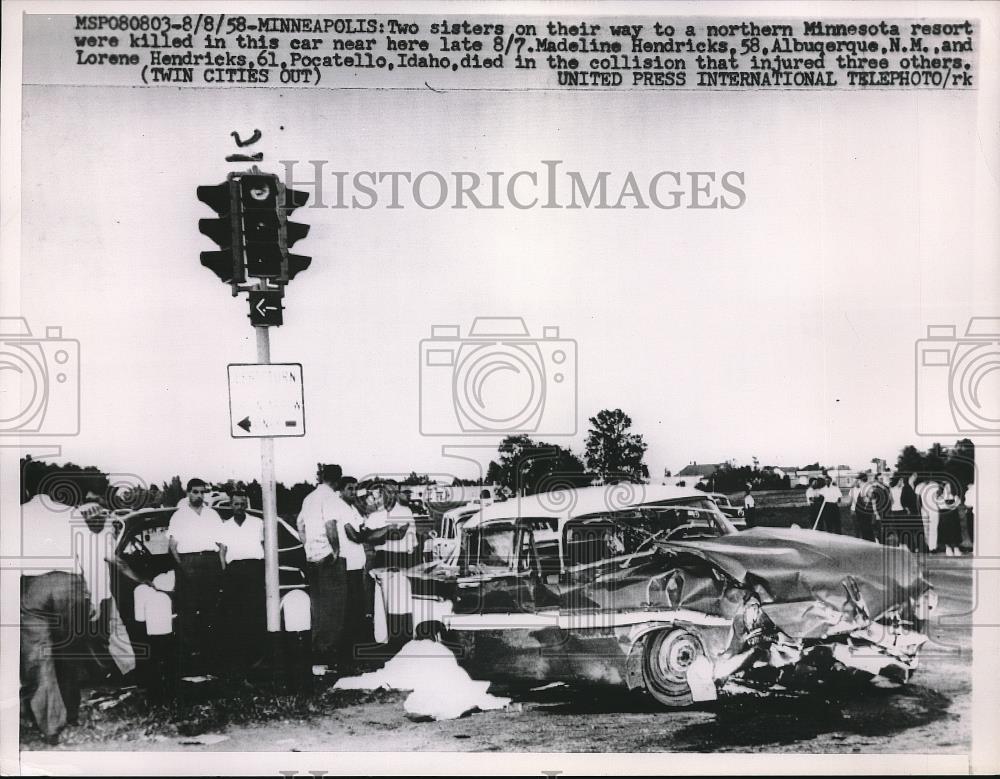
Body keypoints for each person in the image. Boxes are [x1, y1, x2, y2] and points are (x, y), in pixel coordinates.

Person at [19, 486, 92, 745]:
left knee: (39, 656)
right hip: (68, 583)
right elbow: (87, 555)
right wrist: (89, 591)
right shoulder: (70, 512)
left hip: (32, 584)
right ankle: (71, 713)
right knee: (69, 650)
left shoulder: (18, 513)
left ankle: (50, 725)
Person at [167, 478, 226, 675]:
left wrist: (221, 567)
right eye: (195, 492)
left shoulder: (212, 515)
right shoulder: (179, 516)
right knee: (188, 614)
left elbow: (222, 544)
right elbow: (173, 547)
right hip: (188, 563)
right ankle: (190, 662)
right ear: (188, 493)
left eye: (202, 492)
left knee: (211, 613)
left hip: (210, 563)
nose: (199, 496)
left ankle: (211, 660)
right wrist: (183, 567)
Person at [297, 464, 346, 671]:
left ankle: (317, 652)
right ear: (337, 480)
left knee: (318, 606)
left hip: (312, 557)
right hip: (328, 557)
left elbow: (300, 524)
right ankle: (326, 654)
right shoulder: (331, 498)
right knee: (334, 608)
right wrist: (335, 550)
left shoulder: (309, 498)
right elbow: (330, 526)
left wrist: (308, 545)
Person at [220, 492, 265, 681]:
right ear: (231, 505)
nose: (239, 507)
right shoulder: (225, 526)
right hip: (234, 572)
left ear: (247, 505)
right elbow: (222, 552)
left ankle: (257, 659)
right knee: (236, 617)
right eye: (236, 504)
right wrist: (225, 574)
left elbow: (265, 545)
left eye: (242, 504)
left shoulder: (257, 523)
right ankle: (238, 662)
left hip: (254, 569)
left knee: (254, 613)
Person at [334, 476, 371, 671]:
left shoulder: (353, 508)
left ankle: (355, 657)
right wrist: (375, 533)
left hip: (357, 567)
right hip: (347, 568)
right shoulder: (340, 508)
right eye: (350, 488)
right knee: (349, 614)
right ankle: (346, 659)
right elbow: (355, 536)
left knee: (357, 613)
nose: (354, 492)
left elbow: (362, 527)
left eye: (356, 488)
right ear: (340, 490)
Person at [937, 481, 963, 556]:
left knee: (954, 531)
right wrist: (953, 506)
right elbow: (943, 506)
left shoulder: (953, 495)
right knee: (946, 531)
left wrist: (954, 504)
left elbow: (958, 502)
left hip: (953, 516)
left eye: (949, 487)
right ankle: (948, 548)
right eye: (946, 487)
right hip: (945, 516)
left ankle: (956, 548)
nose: (948, 488)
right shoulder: (940, 496)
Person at [852, 473, 877, 542]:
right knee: (865, 532)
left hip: (865, 514)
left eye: (858, 480)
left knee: (867, 533)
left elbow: (872, 498)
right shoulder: (864, 488)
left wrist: (874, 513)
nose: (857, 481)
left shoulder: (867, 488)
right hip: (862, 514)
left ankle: (872, 547)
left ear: (860, 480)